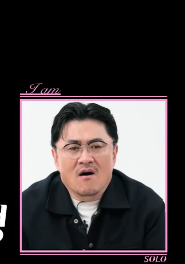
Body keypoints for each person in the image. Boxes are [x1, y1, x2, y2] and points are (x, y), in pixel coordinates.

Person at [21, 102, 165, 250]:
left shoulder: (149, 208)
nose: (85, 158)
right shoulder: (25, 210)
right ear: (56, 158)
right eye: (73, 148)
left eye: (96, 146)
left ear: (114, 154)